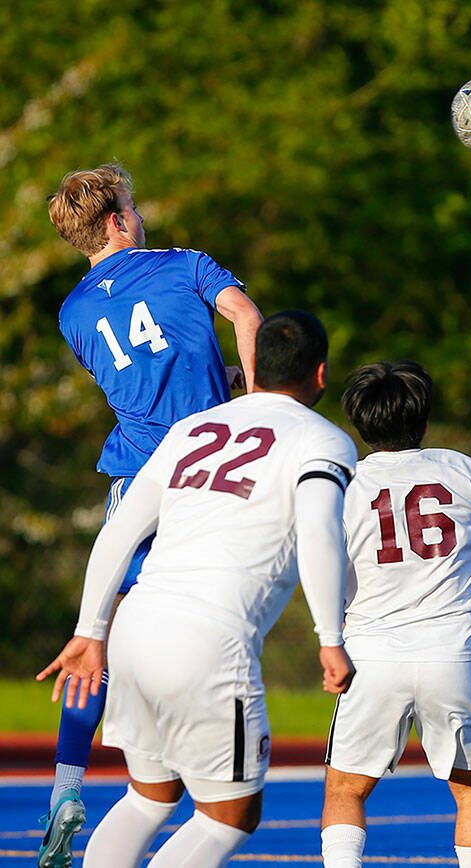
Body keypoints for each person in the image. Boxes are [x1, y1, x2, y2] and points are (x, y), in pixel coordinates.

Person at [37, 310, 356, 868]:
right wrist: (331, 636)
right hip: (207, 642)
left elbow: (121, 530)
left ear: (251, 369)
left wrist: (90, 630)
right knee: (230, 815)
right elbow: (319, 532)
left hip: (134, 629)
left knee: (149, 796)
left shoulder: (193, 428)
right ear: (321, 375)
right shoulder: (323, 439)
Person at [40, 162, 263, 865]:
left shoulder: (72, 312)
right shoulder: (184, 263)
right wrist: (252, 400)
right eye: (133, 205)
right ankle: (203, 755)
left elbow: (141, 377)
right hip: (202, 467)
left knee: (103, 624)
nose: (140, 214)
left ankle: (66, 788)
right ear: (116, 220)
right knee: (213, 607)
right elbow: (248, 317)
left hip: (133, 473)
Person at [321, 361, 471, 868]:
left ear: (359, 421)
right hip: (453, 653)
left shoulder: (344, 483)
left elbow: (323, 565)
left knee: (346, 791)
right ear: (423, 418)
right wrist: (459, 557)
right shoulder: (460, 468)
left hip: (372, 656)